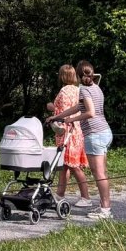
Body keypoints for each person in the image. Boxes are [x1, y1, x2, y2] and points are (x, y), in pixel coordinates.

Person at [50, 61, 112, 219]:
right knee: (101, 172)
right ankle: (103, 206)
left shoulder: (83, 90)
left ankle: (105, 209)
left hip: (94, 133)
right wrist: (59, 117)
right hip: (104, 131)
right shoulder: (96, 87)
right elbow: (79, 107)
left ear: (77, 75)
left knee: (99, 173)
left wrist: (71, 120)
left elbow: (90, 113)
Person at [45, 64, 91, 207]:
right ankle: (60, 194)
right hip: (78, 130)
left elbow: (64, 112)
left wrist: (51, 107)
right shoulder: (79, 90)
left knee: (73, 166)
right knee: (64, 165)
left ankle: (86, 197)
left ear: (62, 76)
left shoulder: (64, 91)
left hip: (66, 131)